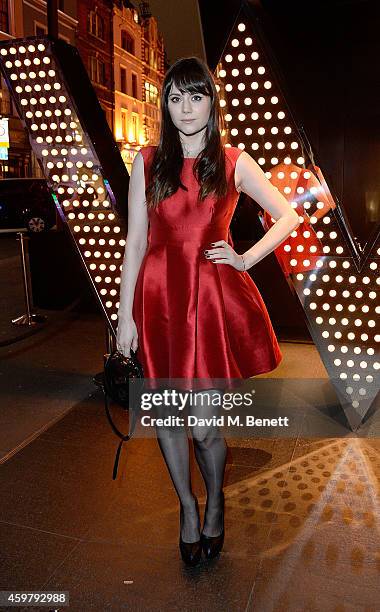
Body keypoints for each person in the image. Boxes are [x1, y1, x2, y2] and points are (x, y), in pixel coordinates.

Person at [116, 57, 299, 566]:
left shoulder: (233, 160)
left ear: (211, 102)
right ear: (165, 106)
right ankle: (187, 508)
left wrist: (244, 258)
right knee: (168, 419)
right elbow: (135, 241)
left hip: (208, 301)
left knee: (201, 427)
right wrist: (124, 316)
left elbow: (287, 215)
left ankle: (216, 496)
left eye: (195, 96)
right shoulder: (147, 161)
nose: (186, 108)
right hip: (157, 299)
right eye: (175, 98)